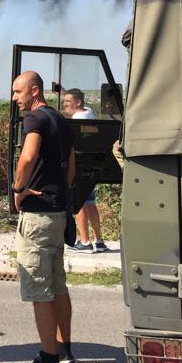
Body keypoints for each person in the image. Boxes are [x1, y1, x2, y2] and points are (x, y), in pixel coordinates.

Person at [12, 71, 77, 363]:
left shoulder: (34, 120)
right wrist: (59, 190)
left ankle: (48, 360)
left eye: (17, 92)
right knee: (58, 285)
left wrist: (18, 190)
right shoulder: (62, 121)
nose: (14, 98)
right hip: (59, 212)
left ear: (34, 91)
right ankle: (65, 354)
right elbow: (72, 166)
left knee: (40, 290)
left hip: (38, 216)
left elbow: (27, 156)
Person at [61, 88, 108, 254]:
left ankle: (85, 242)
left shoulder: (77, 120)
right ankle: (99, 241)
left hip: (79, 164)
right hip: (92, 163)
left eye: (68, 101)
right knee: (90, 203)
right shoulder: (89, 113)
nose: (64, 104)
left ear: (78, 102)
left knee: (78, 203)